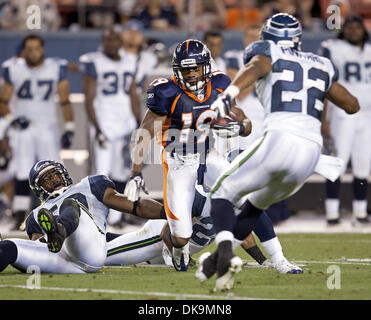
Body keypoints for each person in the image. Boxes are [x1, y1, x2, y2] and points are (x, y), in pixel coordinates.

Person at [196, 13, 360, 291]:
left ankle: (224, 251)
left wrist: (227, 95)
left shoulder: (265, 51)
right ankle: (214, 262)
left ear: (268, 36)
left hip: (281, 139)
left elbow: (258, 64)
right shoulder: (322, 63)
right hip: (310, 154)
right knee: (255, 205)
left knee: (223, 192)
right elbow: (352, 105)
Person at [124, 39, 251, 272]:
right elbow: (145, 133)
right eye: (186, 69)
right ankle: (171, 242)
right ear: (176, 70)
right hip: (178, 162)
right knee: (181, 237)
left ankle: (275, 257)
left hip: (208, 156)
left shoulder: (221, 84)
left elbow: (242, 118)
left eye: (196, 68)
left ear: (206, 66)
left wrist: (241, 127)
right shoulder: (167, 92)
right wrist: (135, 171)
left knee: (243, 195)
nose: (191, 74)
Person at [0, 160, 165, 274]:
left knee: (71, 205)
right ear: (39, 189)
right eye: (47, 179)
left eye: (56, 174)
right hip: (62, 259)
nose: (54, 179)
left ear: (64, 173)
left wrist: (166, 212)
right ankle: (55, 234)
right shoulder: (35, 215)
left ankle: (60, 230)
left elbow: (135, 205)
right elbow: (39, 248)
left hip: (91, 248)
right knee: (8, 246)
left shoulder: (89, 186)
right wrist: (19, 257)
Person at [107, 183, 302, 274]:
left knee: (120, 243)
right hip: (158, 242)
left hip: (173, 248)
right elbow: (166, 232)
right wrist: (181, 257)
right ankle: (83, 239)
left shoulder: (232, 195)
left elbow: (244, 234)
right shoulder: (199, 197)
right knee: (100, 256)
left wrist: (262, 261)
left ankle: (105, 236)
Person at [0, 34, 75, 230]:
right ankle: (19, 218)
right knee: (22, 171)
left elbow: (65, 99)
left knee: (53, 172)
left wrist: (69, 127)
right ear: (23, 50)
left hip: (47, 126)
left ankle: (57, 213)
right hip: (23, 128)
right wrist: (12, 119)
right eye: (29, 48)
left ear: (43, 49)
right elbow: (3, 101)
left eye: (36, 48)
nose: (33, 52)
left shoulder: (55, 67)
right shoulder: (14, 68)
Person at [79, 28, 142, 228]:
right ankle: (96, 217)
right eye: (108, 40)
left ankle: (116, 217)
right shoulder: (93, 61)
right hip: (104, 122)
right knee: (102, 173)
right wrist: (96, 128)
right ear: (102, 42)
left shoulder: (130, 60)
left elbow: (133, 94)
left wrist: (139, 124)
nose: (112, 43)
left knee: (121, 172)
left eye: (115, 39)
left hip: (125, 122)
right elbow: (88, 98)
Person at [318, 15, 371, 226]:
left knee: (363, 164)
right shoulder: (333, 48)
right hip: (342, 112)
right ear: (343, 30)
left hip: (367, 113)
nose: (354, 31)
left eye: (358, 27)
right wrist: (324, 118)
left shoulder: (368, 49)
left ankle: (360, 211)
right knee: (337, 162)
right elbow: (324, 84)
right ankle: (332, 212)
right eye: (349, 27)